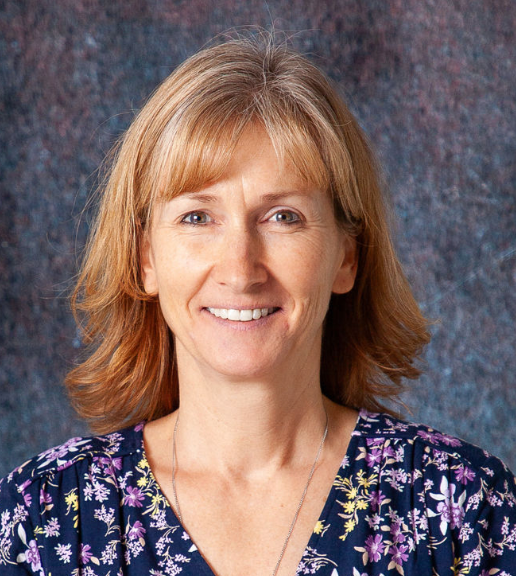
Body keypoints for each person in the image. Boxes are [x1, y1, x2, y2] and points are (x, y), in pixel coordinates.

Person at [1, 35, 515, 576]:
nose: (240, 271)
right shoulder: (45, 517)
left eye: (283, 217)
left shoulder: (462, 510)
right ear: (145, 257)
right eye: (198, 217)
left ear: (347, 255)